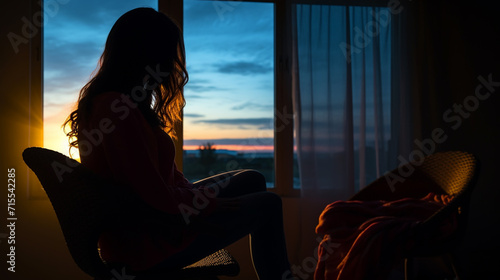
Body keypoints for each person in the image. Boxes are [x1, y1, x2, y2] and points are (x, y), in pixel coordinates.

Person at [64, 7, 290, 279]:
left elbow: (161, 178)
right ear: (143, 53)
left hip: (156, 222)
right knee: (268, 204)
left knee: (252, 179)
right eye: (166, 53)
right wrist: (207, 205)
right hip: (148, 242)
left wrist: (197, 197)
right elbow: (153, 195)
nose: (171, 63)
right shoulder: (115, 108)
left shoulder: (121, 103)